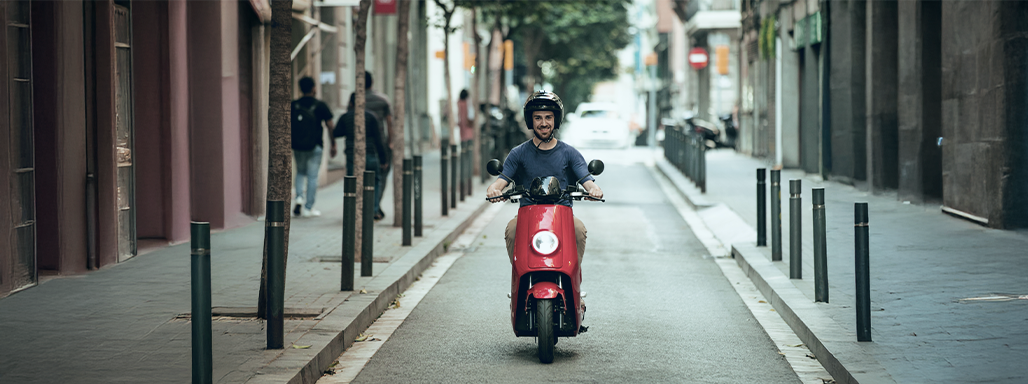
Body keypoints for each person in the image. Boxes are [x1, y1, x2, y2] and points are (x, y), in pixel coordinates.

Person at [485, 91, 604, 263]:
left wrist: (594, 190)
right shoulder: (518, 153)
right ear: (530, 121)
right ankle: (519, 275)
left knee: (579, 230)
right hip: (528, 214)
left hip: (562, 214)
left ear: (556, 120)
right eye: (538, 118)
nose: (543, 123)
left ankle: (573, 274)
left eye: (548, 117)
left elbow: (588, 182)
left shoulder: (570, 153)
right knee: (512, 229)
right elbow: (498, 183)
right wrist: (493, 190)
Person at [335, 92, 389, 218]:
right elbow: (379, 139)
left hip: (351, 155)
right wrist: (383, 159)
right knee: (375, 181)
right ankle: (374, 210)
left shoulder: (345, 117)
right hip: (370, 153)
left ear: (351, 103)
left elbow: (337, 132)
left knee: (352, 183)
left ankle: (353, 211)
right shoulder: (371, 116)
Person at [291, 76, 336, 218]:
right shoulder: (320, 105)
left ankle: (299, 197)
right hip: (315, 146)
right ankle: (308, 208)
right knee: (312, 177)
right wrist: (333, 143)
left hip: (298, 146)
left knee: (300, 172)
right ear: (313, 88)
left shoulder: (294, 105)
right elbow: (330, 125)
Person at [364, 72, 393, 221]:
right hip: (379, 144)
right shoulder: (383, 100)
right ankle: (375, 206)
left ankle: (368, 206)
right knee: (380, 176)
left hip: (360, 144)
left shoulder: (355, 99)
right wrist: (391, 142)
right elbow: (389, 123)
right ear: (372, 82)